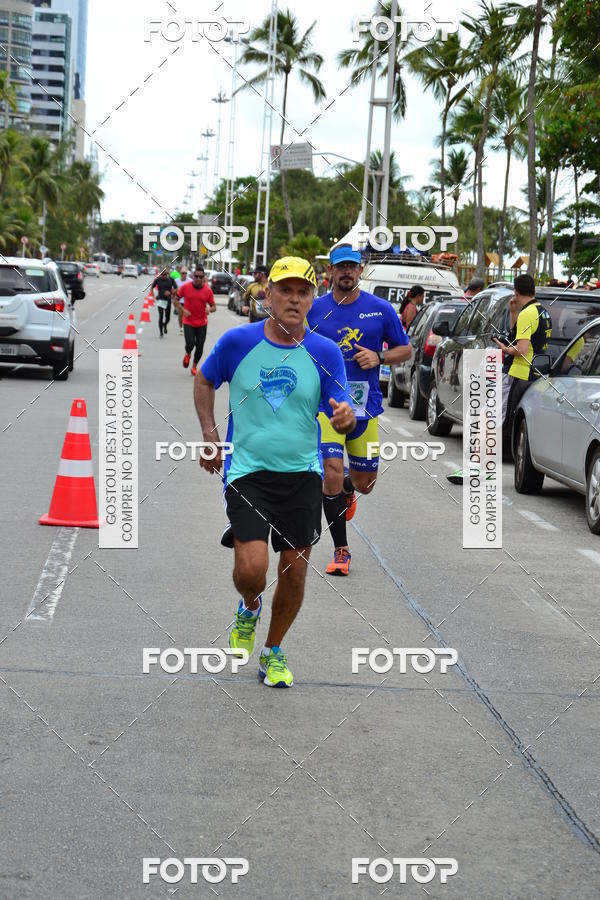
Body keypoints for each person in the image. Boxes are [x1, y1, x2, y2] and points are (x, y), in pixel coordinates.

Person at [194, 256, 356, 688]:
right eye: (286, 290)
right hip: (247, 472)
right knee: (252, 570)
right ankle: (250, 606)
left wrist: (344, 419)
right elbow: (204, 380)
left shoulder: (325, 352)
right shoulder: (238, 342)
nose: (294, 299)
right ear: (268, 294)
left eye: (304, 292)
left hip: (303, 476)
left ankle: (273, 651)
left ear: (313, 298)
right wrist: (210, 434)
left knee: (295, 570)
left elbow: (342, 408)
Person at [306, 244, 412, 576]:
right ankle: (341, 550)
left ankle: (349, 489)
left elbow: (406, 349)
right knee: (331, 473)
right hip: (326, 407)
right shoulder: (314, 309)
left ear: (360, 271)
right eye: (341, 267)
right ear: (330, 271)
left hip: (364, 408)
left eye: (352, 267)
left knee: (365, 482)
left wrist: (380, 357)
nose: (347, 272)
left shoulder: (380, 310)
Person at [172, 266, 216, 376]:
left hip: (202, 322)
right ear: (193, 276)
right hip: (188, 321)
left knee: (200, 346)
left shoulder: (208, 290)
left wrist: (209, 309)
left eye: (201, 276)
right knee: (190, 344)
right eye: (196, 276)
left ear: (204, 277)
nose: (198, 278)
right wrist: (183, 310)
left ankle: (194, 366)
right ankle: (188, 353)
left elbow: (214, 306)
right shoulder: (185, 287)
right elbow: (175, 300)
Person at [151, 268, 178, 337]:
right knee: (161, 316)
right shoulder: (158, 280)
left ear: (168, 274)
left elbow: (176, 288)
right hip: (160, 299)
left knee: (168, 318)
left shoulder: (171, 280)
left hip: (168, 300)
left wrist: (171, 292)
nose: (164, 276)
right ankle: (161, 332)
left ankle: (165, 324)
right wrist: (153, 297)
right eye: (162, 275)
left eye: (165, 275)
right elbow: (152, 287)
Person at [174, 266, 191, 334]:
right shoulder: (176, 281)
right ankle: (181, 328)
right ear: (180, 273)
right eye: (183, 273)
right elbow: (173, 291)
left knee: (187, 315)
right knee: (180, 315)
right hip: (180, 301)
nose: (184, 275)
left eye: (185, 273)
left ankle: (187, 328)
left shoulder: (190, 281)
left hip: (188, 301)